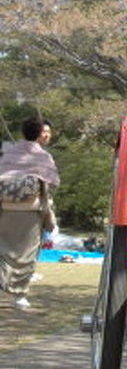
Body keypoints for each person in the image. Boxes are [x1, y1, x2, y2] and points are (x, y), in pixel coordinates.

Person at [0, 117, 59, 310]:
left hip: (5, 207)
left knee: (4, 250)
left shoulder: (9, 152)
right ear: (41, 133)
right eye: (46, 132)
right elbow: (52, 183)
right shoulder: (43, 157)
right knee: (26, 253)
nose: (48, 135)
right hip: (30, 211)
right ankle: (19, 294)